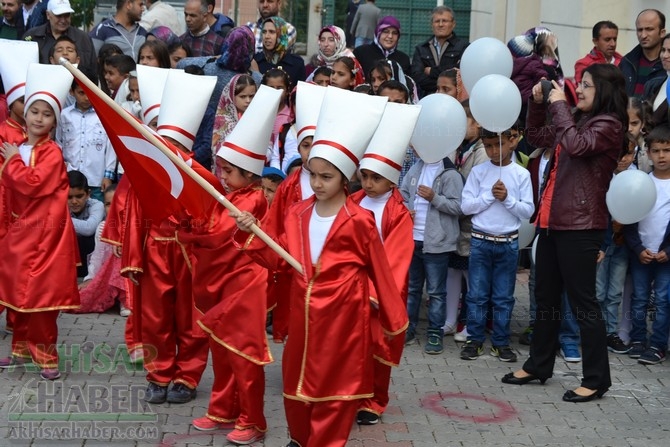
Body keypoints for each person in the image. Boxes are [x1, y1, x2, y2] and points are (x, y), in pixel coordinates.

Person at [234, 87, 406, 447]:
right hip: (302, 319)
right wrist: (251, 234)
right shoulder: (298, 213)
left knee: (335, 396)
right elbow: (279, 257)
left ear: (344, 179)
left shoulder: (359, 221)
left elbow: (381, 270)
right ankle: (300, 438)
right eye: (313, 174)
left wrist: (392, 323)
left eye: (326, 177)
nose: (316, 183)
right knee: (296, 392)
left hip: (344, 323)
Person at [502, 64, 628, 403]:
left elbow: (575, 145)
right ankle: (539, 365)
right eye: (580, 84)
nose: (580, 90)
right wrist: (540, 103)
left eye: (587, 85)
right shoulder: (577, 120)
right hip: (552, 221)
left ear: (604, 90)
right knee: (546, 299)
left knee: (584, 304)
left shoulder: (609, 125)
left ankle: (597, 378)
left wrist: (558, 106)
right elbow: (537, 136)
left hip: (582, 226)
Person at [0, 63, 78, 381]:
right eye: (35, 111)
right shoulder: (19, 147)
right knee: (19, 294)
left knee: (43, 300)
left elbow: (32, 183)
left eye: (47, 114)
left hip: (47, 236)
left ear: (54, 120)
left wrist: (12, 161)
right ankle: (20, 349)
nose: (39, 118)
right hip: (22, 231)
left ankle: (46, 357)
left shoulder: (51, 153)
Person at [351, 102, 416, 425]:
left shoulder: (398, 213)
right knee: (351, 346)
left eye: (375, 178)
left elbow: (397, 258)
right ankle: (351, 394)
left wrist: (375, 291)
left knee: (378, 347)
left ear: (391, 180)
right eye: (364, 176)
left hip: (379, 291)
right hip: (350, 287)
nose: (367, 184)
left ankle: (374, 400)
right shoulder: (353, 202)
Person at [459, 125, 534, 362]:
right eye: (489, 146)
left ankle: (501, 342)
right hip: (481, 240)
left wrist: (508, 199)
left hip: (508, 243)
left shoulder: (521, 174)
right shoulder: (479, 172)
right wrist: (489, 196)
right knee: (477, 295)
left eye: (498, 144)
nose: (493, 151)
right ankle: (475, 339)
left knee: (503, 296)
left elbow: (528, 210)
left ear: (512, 141)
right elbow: (466, 206)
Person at [401, 137, 464, 354]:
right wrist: (404, 209)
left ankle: (435, 333)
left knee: (437, 292)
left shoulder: (450, 174)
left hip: (437, 243)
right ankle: (408, 329)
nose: (414, 148)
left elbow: (458, 207)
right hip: (413, 239)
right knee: (412, 289)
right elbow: (402, 194)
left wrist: (435, 198)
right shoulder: (416, 168)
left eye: (418, 144)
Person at [176, 25, 260, 170]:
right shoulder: (254, 78)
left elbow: (181, 64)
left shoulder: (207, 67)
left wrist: (214, 58)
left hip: (199, 136)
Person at [623, 124, 670, 365]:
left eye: (667, 150)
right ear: (648, 153)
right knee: (639, 298)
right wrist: (638, 249)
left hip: (665, 256)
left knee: (663, 300)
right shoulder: (641, 182)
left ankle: (658, 345)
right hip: (642, 252)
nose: (662, 156)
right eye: (656, 151)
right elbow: (630, 219)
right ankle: (638, 339)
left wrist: (668, 252)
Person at [596, 134, 637, 355]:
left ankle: (611, 332)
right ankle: (597, 331)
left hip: (622, 244)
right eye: (620, 153)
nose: (623, 159)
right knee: (599, 291)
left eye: (628, 153)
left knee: (614, 293)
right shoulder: (602, 175)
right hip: (602, 242)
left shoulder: (637, 178)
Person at [57, 69, 116, 202]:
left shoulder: (104, 115)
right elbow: (58, 143)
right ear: (72, 92)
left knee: (98, 212)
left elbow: (111, 146)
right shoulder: (64, 115)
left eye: (90, 92)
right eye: (81, 93)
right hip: (70, 177)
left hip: (96, 179)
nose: (87, 98)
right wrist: (63, 167)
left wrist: (108, 175)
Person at [22, 0, 97, 75]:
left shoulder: (83, 39)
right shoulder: (32, 37)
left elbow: (93, 72)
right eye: (59, 16)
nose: (63, 20)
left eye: (66, 15)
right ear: (48, 15)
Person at [411, 6, 468, 97]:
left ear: (453, 24)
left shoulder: (463, 47)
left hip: (454, 100)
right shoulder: (421, 49)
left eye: (445, 21)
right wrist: (443, 87)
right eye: (437, 21)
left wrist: (431, 71)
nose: (440, 24)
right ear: (431, 25)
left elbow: (460, 74)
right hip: (427, 98)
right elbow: (417, 77)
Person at [211, 73, 257, 165]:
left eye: (251, 96)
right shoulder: (222, 120)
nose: (248, 100)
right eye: (243, 96)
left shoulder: (258, 117)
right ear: (231, 96)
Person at [620, 9, 666, 98]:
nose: (643, 35)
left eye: (649, 29)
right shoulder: (626, 62)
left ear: (662, 32)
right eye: (640, 30)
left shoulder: (667, 63)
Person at [67, 170, 105, 278]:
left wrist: (62, 220)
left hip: (93, 260)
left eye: (79, 196)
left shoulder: (97, 205)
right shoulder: (59, 206)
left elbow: (89, 229)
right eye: (69, 197)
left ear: (88, 194)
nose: (74, 201)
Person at [253, 16, 305, 88]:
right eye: (264, 32)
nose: (267, 36)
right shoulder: (256, 61)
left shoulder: (296, 63)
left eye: (272, 32)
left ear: (281, 34)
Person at [354, 15, 410, 80]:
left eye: (394, 33)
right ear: (378, 33)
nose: (390, 36)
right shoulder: (361, 52)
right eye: (386, 31)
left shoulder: (403, 59)